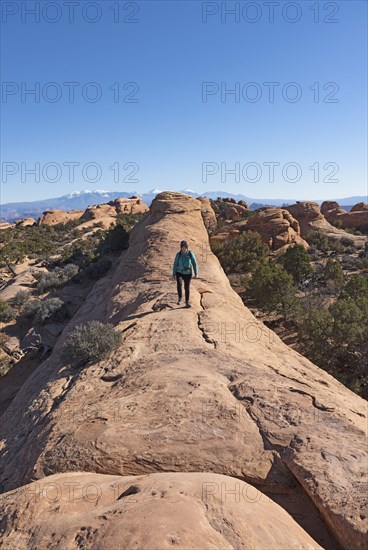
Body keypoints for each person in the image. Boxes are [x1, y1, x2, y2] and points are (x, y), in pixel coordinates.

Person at [172, 240, 198, 308]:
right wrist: (174, 273)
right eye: (183, 247)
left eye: (185, 247)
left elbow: (194, 264)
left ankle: (187, 301)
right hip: (179, 272)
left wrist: (196, 273)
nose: (184, 249)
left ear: (187, 247)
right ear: (181, 248)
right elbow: (175, 264)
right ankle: (180, 299)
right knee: (179, 284)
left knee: (187, 287)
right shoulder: (178, 254)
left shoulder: (190, 254)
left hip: (188, 273)